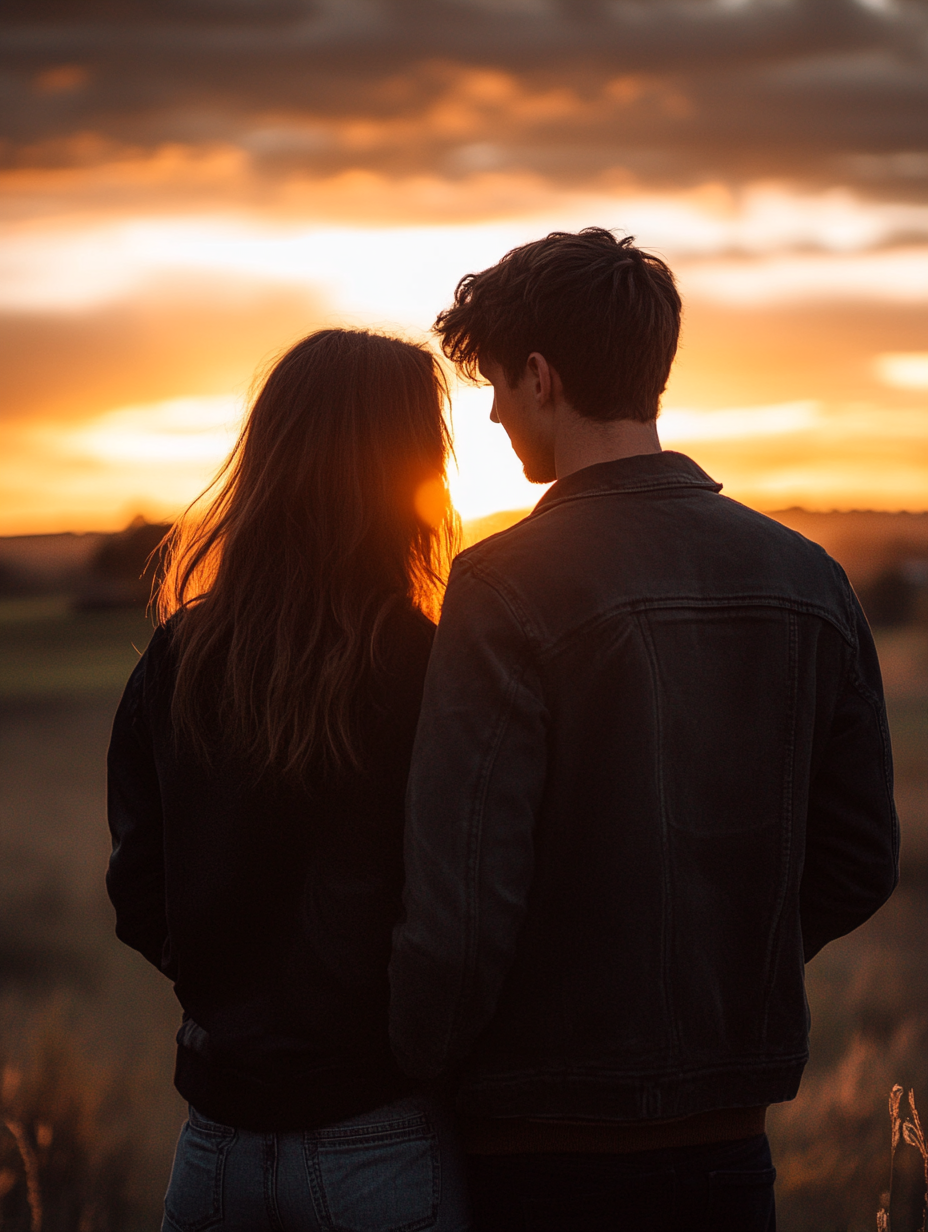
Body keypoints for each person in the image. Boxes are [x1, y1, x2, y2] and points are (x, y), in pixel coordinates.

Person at [389, 228, 899, 1232]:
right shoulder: (810, 579)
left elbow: (460, 907)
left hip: (538, 1154)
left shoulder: (502, 585)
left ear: (541, 376)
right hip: (729, 1148)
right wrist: (720, 970)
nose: (490, 410)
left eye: (494, 380)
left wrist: (411, 1064)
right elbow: (859, 857)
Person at [106, 329, 471, 1232]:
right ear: (406, 471)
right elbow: (460, 896)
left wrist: (232, 999)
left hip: (215, 1151)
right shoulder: (421, 663)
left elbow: (137, 890)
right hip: (376, 1139)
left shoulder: (178, 654)